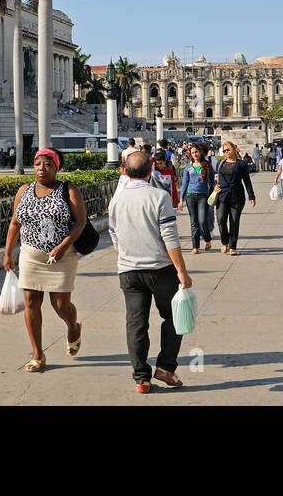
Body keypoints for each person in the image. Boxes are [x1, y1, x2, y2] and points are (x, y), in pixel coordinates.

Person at [108, 151, 193, 393]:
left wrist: (125, 260)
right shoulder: (159, 196)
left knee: (136, 323)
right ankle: (166, 367)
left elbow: (114, 236)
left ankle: (141, 379)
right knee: (173, 316)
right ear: (151, 170)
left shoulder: (116, 200)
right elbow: (170, 237)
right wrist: (182, 272)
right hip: (160, 269)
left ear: (124, 170)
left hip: (129, 271)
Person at [2, 148, 87, 372]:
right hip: (31, 255)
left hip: (62, 256)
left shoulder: (68, 189)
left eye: (48, 164)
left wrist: (62, 247)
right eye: (38, 164)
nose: (42, 168)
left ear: (56, 167)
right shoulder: (24, 190)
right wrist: (8, 252)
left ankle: (72, 326)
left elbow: (80, 222)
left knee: (60, 304)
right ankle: (37, 354)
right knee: (31, 303)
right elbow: (15, 223)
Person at [213, 142, 256, 255]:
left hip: (237, 196)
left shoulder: (241, 164)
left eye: (227, 150)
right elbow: (216, 178)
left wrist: (251, 196)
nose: (226, 152)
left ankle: (233, 246)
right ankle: (224, 242)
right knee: (221, 219)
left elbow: (247, 181)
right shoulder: (220, 163)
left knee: (234, 221)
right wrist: (215, 186)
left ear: (234, 149)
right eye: (224, 151)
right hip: (222, 196)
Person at [179, 143, 215, 252]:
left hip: (203, 196)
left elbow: (212, 181)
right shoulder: (188, 168)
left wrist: (215, 190)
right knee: (193, 222)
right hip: (190, 196)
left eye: (197, 152)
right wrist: (181, 200)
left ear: (200, 152)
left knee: (202, 220)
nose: (195, 154)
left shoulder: (207, 165)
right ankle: (195, 246)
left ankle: (207, 239)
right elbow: (184, 183)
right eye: (193, 152)